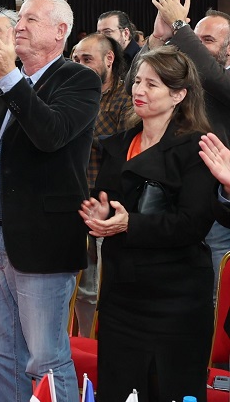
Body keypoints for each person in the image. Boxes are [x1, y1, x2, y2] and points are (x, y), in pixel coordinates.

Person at [0, 0, 101, 402]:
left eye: (31, 19)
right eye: (20, 19)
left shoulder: (78, 80)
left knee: (46, 357)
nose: (20, 26)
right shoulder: (2, 82)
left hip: (41, 238)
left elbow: (50, 134)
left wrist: (9, 77)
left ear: (60, 31)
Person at [80, 46, 215, 402]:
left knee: (168, 390)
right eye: (137, 81)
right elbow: (108, 199)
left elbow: (192, 224)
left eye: (151, 84)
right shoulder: (121, 142)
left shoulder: (196, 148)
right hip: (122, 295)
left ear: (178, 94)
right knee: (119, 388)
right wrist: (100, 214)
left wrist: (130, 224)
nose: (138, 90)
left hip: (176, 300)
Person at [135, 0, 230, 299]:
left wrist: (180, 26)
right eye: (195, 38)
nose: (195, 46)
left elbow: (214, 79)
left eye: (207, 40)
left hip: (218, 202)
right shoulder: (188, 74)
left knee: (214, 293)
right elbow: (135, 83)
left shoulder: (218, 78)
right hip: (173, 191)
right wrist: (158, 38)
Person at [71, 32, 132, 337]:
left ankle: (97, 344)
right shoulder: (68, 92)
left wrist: (76, 132)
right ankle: (82, 340)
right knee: (77, 284)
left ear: (109, 59)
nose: (79, 64)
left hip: (107, 202)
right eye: (75, 59)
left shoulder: (126, 97)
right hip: (70, 196)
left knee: (101, 282)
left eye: (87, 59)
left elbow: (123, 146)